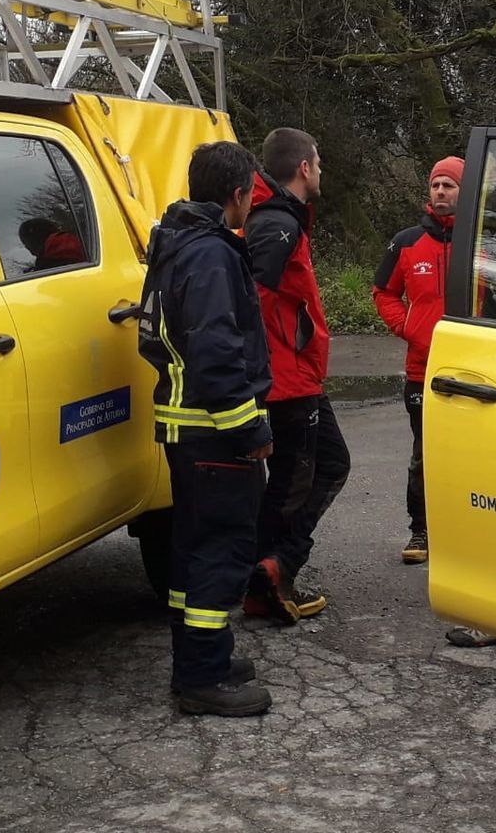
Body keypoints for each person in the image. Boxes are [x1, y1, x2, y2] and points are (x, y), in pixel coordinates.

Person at [137, 141, 276, 717]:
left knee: (194, 550)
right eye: (251, 194)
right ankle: (203, 677)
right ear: (238, 194)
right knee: (221, 550)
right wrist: (249, 428)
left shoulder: (176, 243)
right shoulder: (213, 255)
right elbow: (217, 352)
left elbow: (153, 338)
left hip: (186, 428)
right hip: (214, 432)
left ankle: (202, 657)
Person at [243, 127, 350, 626]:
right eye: (319, 163)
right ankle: (275, 570)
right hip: (286, 378)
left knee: (302, 474)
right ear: (305, 167)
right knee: (308, 474)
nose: (321, 171)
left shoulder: (280, 217)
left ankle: (268, 573)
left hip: (294, 372)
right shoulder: (276, 223)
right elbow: (251, 298)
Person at [372, 155, 461, 565]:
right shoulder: (406, 242)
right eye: (436, 185)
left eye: (449, 185)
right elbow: (382, 293)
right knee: (424, 453)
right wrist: (408, 326)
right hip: (422, 369)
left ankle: (468, 532)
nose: (440, 192)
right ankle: (421, 531)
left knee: (475, 455)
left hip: (475, 369)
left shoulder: (481, 241)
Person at [19, 216, 85, 271]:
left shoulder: (47, 264)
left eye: (26, 243)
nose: (27, 248)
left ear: (33, 243)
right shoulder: (80, 241)